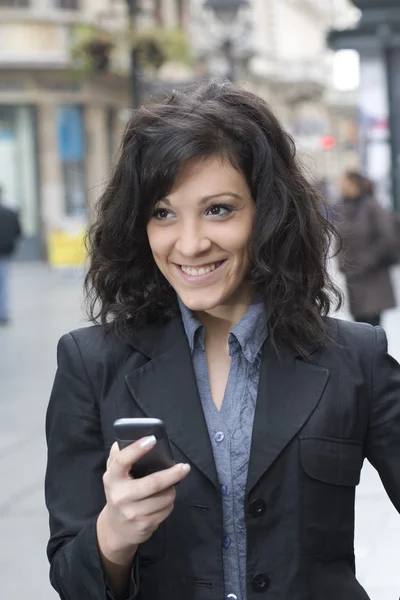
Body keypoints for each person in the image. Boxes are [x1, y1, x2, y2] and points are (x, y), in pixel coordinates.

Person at [45, 82, 400, 600]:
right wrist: (113, 535)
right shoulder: (90, 364)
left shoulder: (355, 359)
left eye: (218, 209)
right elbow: (70, 580)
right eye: (163, 213)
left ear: (268, 212)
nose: (189, 244)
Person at [336, 170, 397, 328]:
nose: (341, 186)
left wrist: (365, 261)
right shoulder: (345, 208)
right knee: (360, 328)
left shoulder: (371, 207)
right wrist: (343, 262)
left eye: (344, 182)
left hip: (373, 279)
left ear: (355, 185)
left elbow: (388, 239)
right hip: (355, 280)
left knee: (372, 328)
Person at [0, 189, 21, 326]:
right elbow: (18, 231)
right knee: (4, 284)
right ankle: (3, 314)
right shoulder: (10, 212)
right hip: (5, 254)